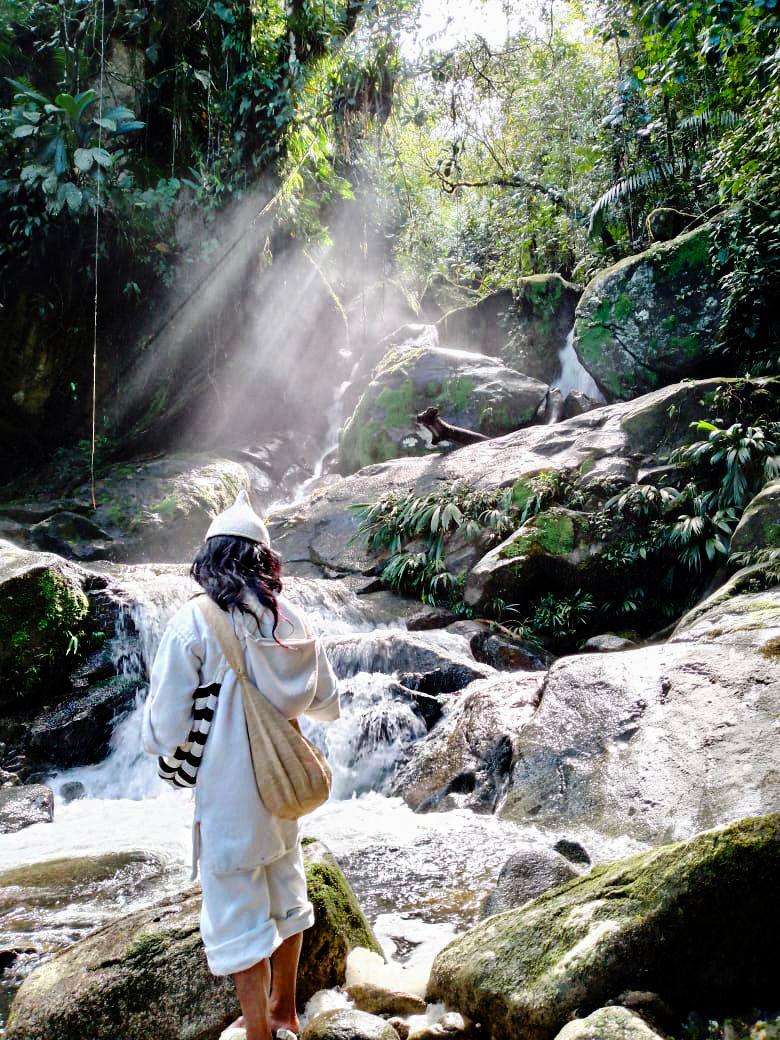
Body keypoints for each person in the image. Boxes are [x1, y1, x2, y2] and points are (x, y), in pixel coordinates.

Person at [142, 490, 340, 1040]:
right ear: (265, 560)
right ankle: (286, 1015)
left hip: (229, 799)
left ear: (210, 559)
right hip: (282, 789)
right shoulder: (290, 617)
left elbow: (163, 727)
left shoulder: (196, 620)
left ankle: (257, 1033)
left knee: (236, 916)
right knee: (288, 893)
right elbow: (326, 699)